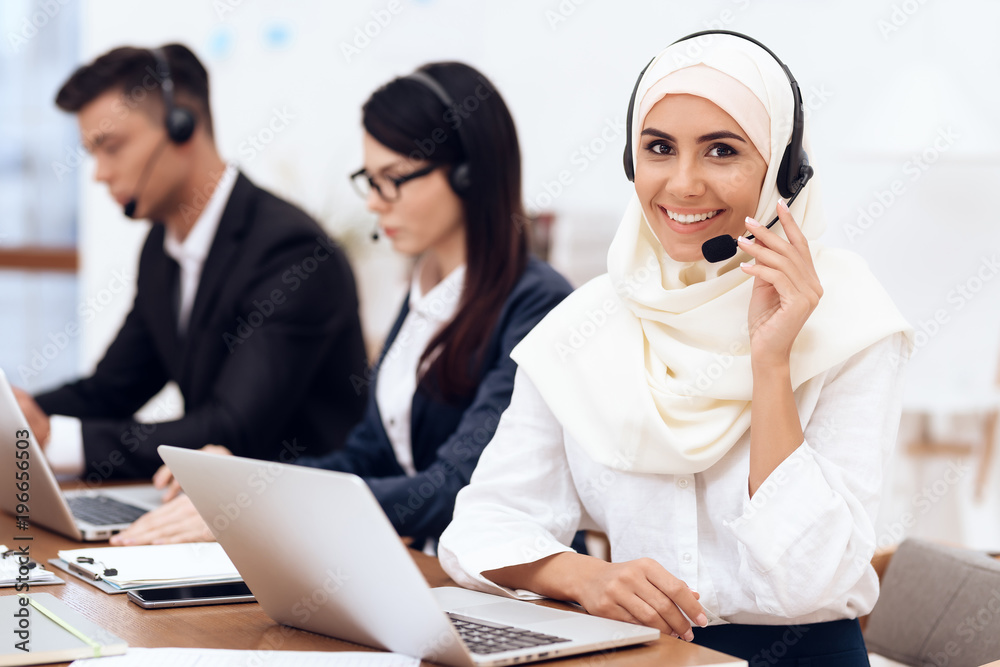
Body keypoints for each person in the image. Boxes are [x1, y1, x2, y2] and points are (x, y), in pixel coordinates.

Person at [438, 32, 913, 663]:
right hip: (638, 654)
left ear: (784, 171)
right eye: (659, 148)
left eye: (722, 151)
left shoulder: (849, 320)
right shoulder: (583, 327)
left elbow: (810, 580)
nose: (684, 184)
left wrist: (770, 364)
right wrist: (586, 576)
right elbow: (478, 529)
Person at [111, 61, 574, 549]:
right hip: (432, 570)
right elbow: (365, 458)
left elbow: (457, 486)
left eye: (393, 178)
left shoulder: (537, 303)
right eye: (370, 180)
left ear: (467, 174)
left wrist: (268, 505)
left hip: (516, 586)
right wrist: (250, 481)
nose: (375, 202)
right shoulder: (427, 289)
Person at [13, 44, 369, 480]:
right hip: (208, 511)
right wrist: (18, 420)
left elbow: (231, 427)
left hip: (297, 522)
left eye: (112, 147)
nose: (100, 173)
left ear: (182, 127)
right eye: (92, 153)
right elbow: (112, 390)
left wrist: (56, 440)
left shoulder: (290, 252)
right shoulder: (163, 247)